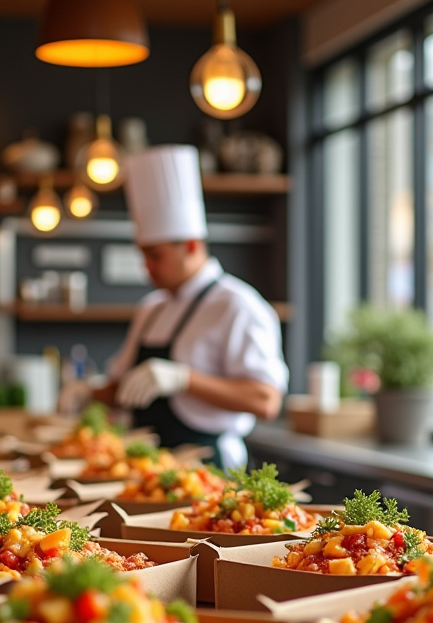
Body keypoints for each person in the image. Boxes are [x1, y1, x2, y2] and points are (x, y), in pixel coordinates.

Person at [94, 145, 288, 469]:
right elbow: (124, 389)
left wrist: (184, 379)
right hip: (147, 467)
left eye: (155, 256)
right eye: (143, 255)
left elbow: (266, 400)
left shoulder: (237, 306)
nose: (146, 267)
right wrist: (85, 392)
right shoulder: (151, 308)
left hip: (210, 469)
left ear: (191, 246)